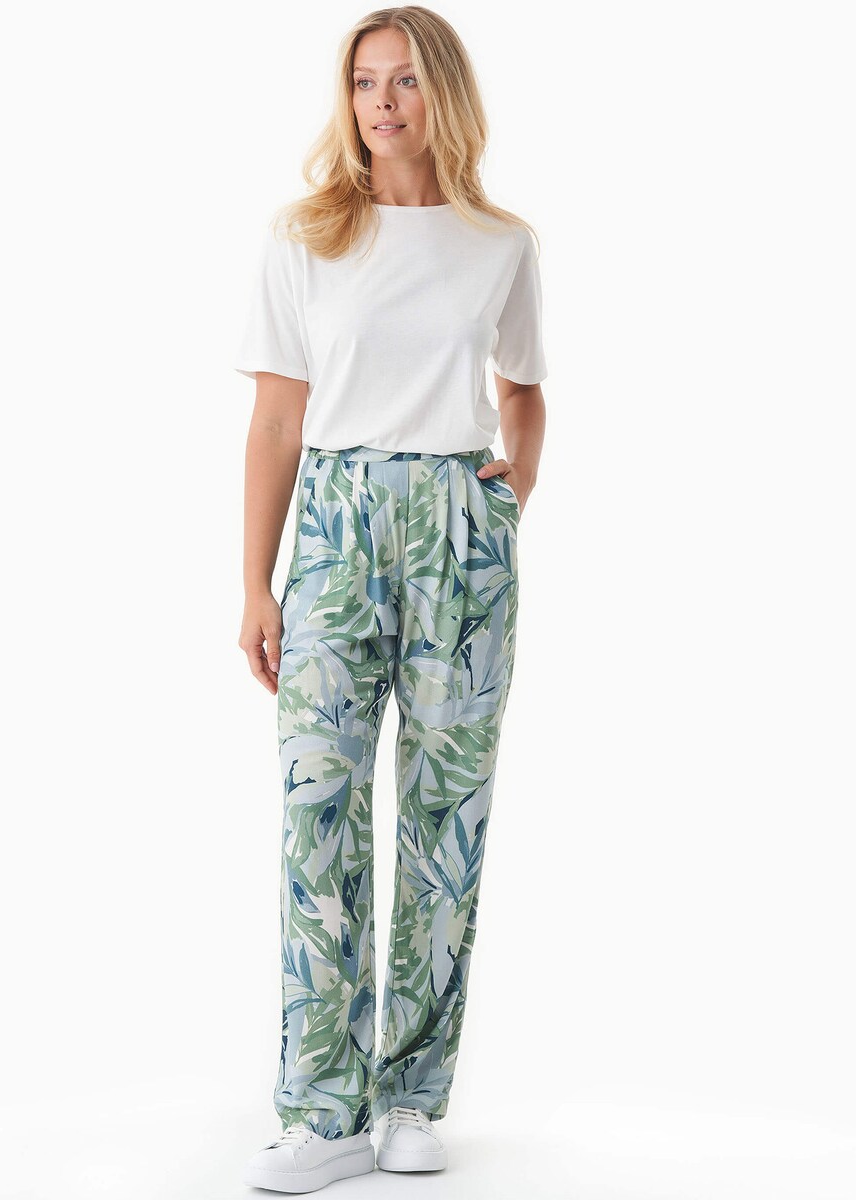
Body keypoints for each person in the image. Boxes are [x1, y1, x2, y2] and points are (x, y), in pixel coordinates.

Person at [233, 7, 547, 1192]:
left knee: (444, 818)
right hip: (335, 526)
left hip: (458, 532)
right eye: (366, 81)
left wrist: (510, 496)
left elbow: (525, 390)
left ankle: (412, 1096)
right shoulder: (305, 234)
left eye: (406, 80)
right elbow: (275, 421)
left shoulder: (499, 242)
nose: (383, 101)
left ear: (442, 93)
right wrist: (255, 582)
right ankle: (321, 1110)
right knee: (317, 809)